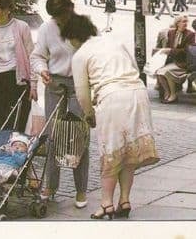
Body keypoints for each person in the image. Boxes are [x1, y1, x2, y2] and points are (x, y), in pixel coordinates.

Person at [61, 14, 159, 219]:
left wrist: (89, 115)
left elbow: (82, 92)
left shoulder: (80, 55)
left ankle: (106, 204)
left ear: (73, 37)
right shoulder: (114, 40)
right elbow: (134, 66)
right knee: (129, 153)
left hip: (112, 97)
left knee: (111, 152)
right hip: (137, 94)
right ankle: (124, 200)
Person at [30, 0, 89, 208]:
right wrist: (42, 70)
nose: (59, 20)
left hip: (78, 84)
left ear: (69, 8)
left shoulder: (83, 26)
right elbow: (37, 56)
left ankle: (81, 190)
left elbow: (94, 55)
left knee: (76, 136)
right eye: (55, 17)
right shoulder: (46, 28)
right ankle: (50, 186)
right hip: (54, 84)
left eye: (62, 15)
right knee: (53, 136)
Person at [0, 0, 34, 137]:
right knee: (0, 124)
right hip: (0, 80)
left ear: (8, 9)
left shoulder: (21, 27)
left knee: (19, 124)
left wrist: (33, 84)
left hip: (19, 79)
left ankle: (19, 156)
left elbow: (32, 55)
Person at [155, 15, 195, 103]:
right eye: (183, 21)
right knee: (158, 71)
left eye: (186, 21)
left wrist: (171, 50)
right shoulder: (171, 33)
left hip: (184, 62)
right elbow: (169, 46)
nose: (186, 23)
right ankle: (168, 92)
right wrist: (165, 52)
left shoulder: (190, 34)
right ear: (177, 23)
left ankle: (173, 95)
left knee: (165, 71)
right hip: (173, 61)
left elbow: (187, 50)